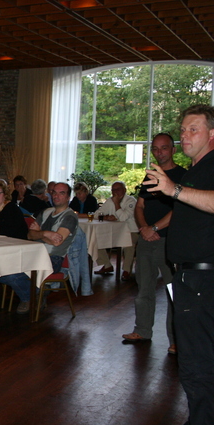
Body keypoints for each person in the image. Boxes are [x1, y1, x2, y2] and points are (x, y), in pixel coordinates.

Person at [144, 104, 214, 425]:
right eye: (183, 129)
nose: (185, 135)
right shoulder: (196, 169)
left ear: (212, 134)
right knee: (195, 359)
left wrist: (175, 189)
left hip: (203, 279)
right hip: (189, 276)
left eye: (193, 129)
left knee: (198, 361)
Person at [122, 133, 186, 351]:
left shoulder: (182, 176)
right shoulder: (149, 177)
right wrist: (144, 229)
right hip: (147, 240)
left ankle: (176, 340)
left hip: (170, 241)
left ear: (173, 149)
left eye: (164, 148)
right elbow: (140, 207)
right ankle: (142, 330)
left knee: (172, 292)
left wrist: (154, 228)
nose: (159, 153)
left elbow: (180, 210)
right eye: (156, 149)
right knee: (144, 289)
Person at [11, 182, 78, 314]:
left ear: (68, 197)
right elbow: (30, 235)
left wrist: (39, 232)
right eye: (54, 192)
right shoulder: (46, 212)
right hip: (34, 254)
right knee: (5, 268)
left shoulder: (70, 217)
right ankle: (32, 295)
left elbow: (57, 242)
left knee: (14, 274)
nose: (56, 196)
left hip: (54, 258)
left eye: (61, 193)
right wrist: (46, 234)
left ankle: (29, 297)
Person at [94, 181, 138, 280]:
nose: (115, 192)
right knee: (94, 239)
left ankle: (127, 270)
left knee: (129, 243)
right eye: (113, 190)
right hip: (114, 231)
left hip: (131, 231)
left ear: (124, 190)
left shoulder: (131, 201)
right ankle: (106, 265)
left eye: (118, 189)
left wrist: (117, 204)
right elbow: (97, 214)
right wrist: (107, 217)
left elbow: (123, 217)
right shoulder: (110, 201)